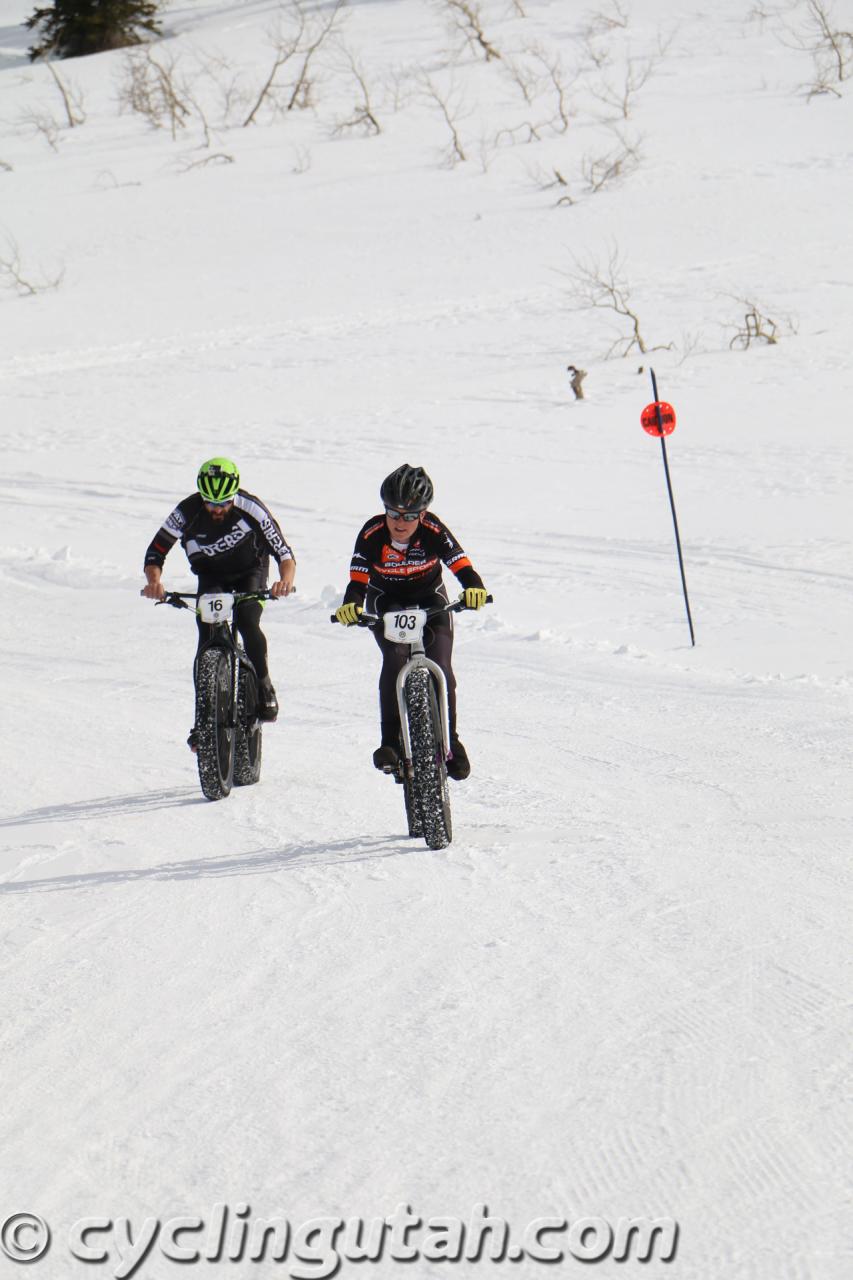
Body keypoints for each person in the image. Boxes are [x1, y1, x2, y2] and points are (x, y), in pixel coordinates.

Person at [335, 463, 488, 781]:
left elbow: (461, 565)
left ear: (422, 514)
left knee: (442, 666)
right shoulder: (371, 534)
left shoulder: (434, 530)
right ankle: (390, 741)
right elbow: (358, 580)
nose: (399, 522)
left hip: (430, 599)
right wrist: (351, 605)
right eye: (393, 513)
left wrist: (474, 587)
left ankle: (452, 742)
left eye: (408, 515)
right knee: (394, 659)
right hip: (386, 601)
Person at [141, 457, 296, 744]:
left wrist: (285, 581)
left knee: (248, 621)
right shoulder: (186, 511)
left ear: (234, 495)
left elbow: (284, 553)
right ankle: (203, 720)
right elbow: (156, 552)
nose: (216, 509)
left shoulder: (250, 507)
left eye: (223, 503)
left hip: (251, 571)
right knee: (206, 635)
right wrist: (154, 581)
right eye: (210, 503)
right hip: (212, 576)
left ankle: (264, 686)